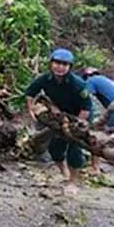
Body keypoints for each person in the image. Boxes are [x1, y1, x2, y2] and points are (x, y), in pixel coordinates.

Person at [24, 48, 92, 196]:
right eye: (57, 63)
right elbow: (30, 92)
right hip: (59, 116)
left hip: (78, 116)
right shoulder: (45, 79)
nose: (60, 67)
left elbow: (86, 107)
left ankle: (72, 182)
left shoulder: (77, 84)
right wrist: (31, 109)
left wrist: (77, 126)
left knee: (74, 149)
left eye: (64, 64)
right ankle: (65, 174)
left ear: (69, 67)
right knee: (55, 148)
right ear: (51, 63)